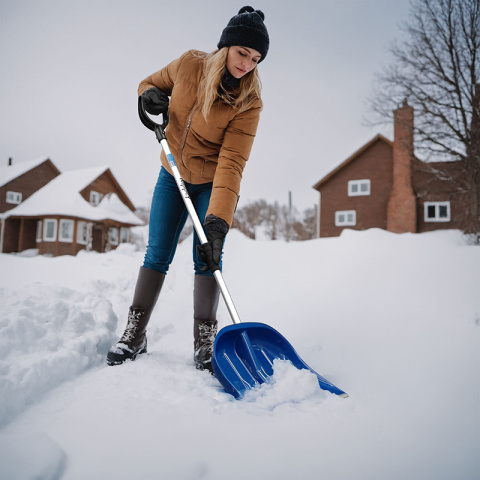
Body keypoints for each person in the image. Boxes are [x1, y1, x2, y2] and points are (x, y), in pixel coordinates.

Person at [106, 6, 269, 372]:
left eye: (256, 59)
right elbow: (148, 82)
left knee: (207, 255)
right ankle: (136, 333)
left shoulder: (249, 102)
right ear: (226, 46)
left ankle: (205, 341)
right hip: (172, 173)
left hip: (212, 182)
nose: (247, 64)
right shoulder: (189, 64)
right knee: (157, 253)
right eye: (243, 52)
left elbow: (232, 162)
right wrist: (148, 96)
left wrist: (217, 223)